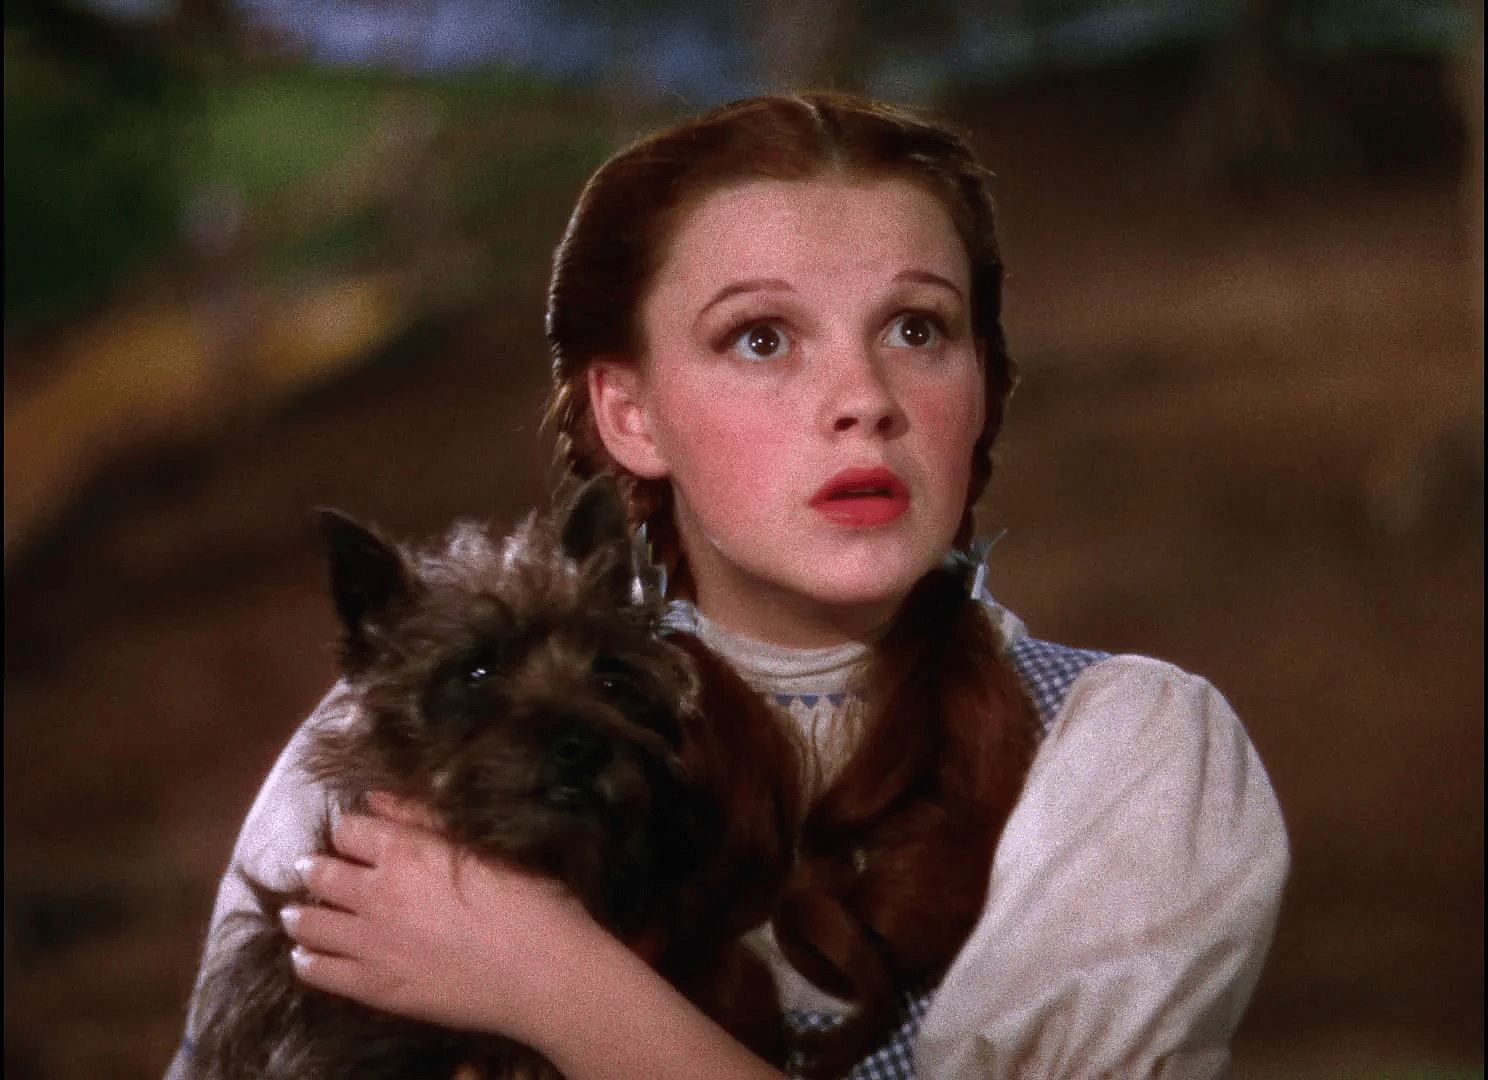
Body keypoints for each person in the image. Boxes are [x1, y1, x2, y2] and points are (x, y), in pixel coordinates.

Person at [166, 92, 1288, 1080]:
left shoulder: (1128, 753)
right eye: (760, 338)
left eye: (917, 327)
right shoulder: (384, 735)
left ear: (985, 385)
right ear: (630, 414)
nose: (864, 398)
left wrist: (548, 977)